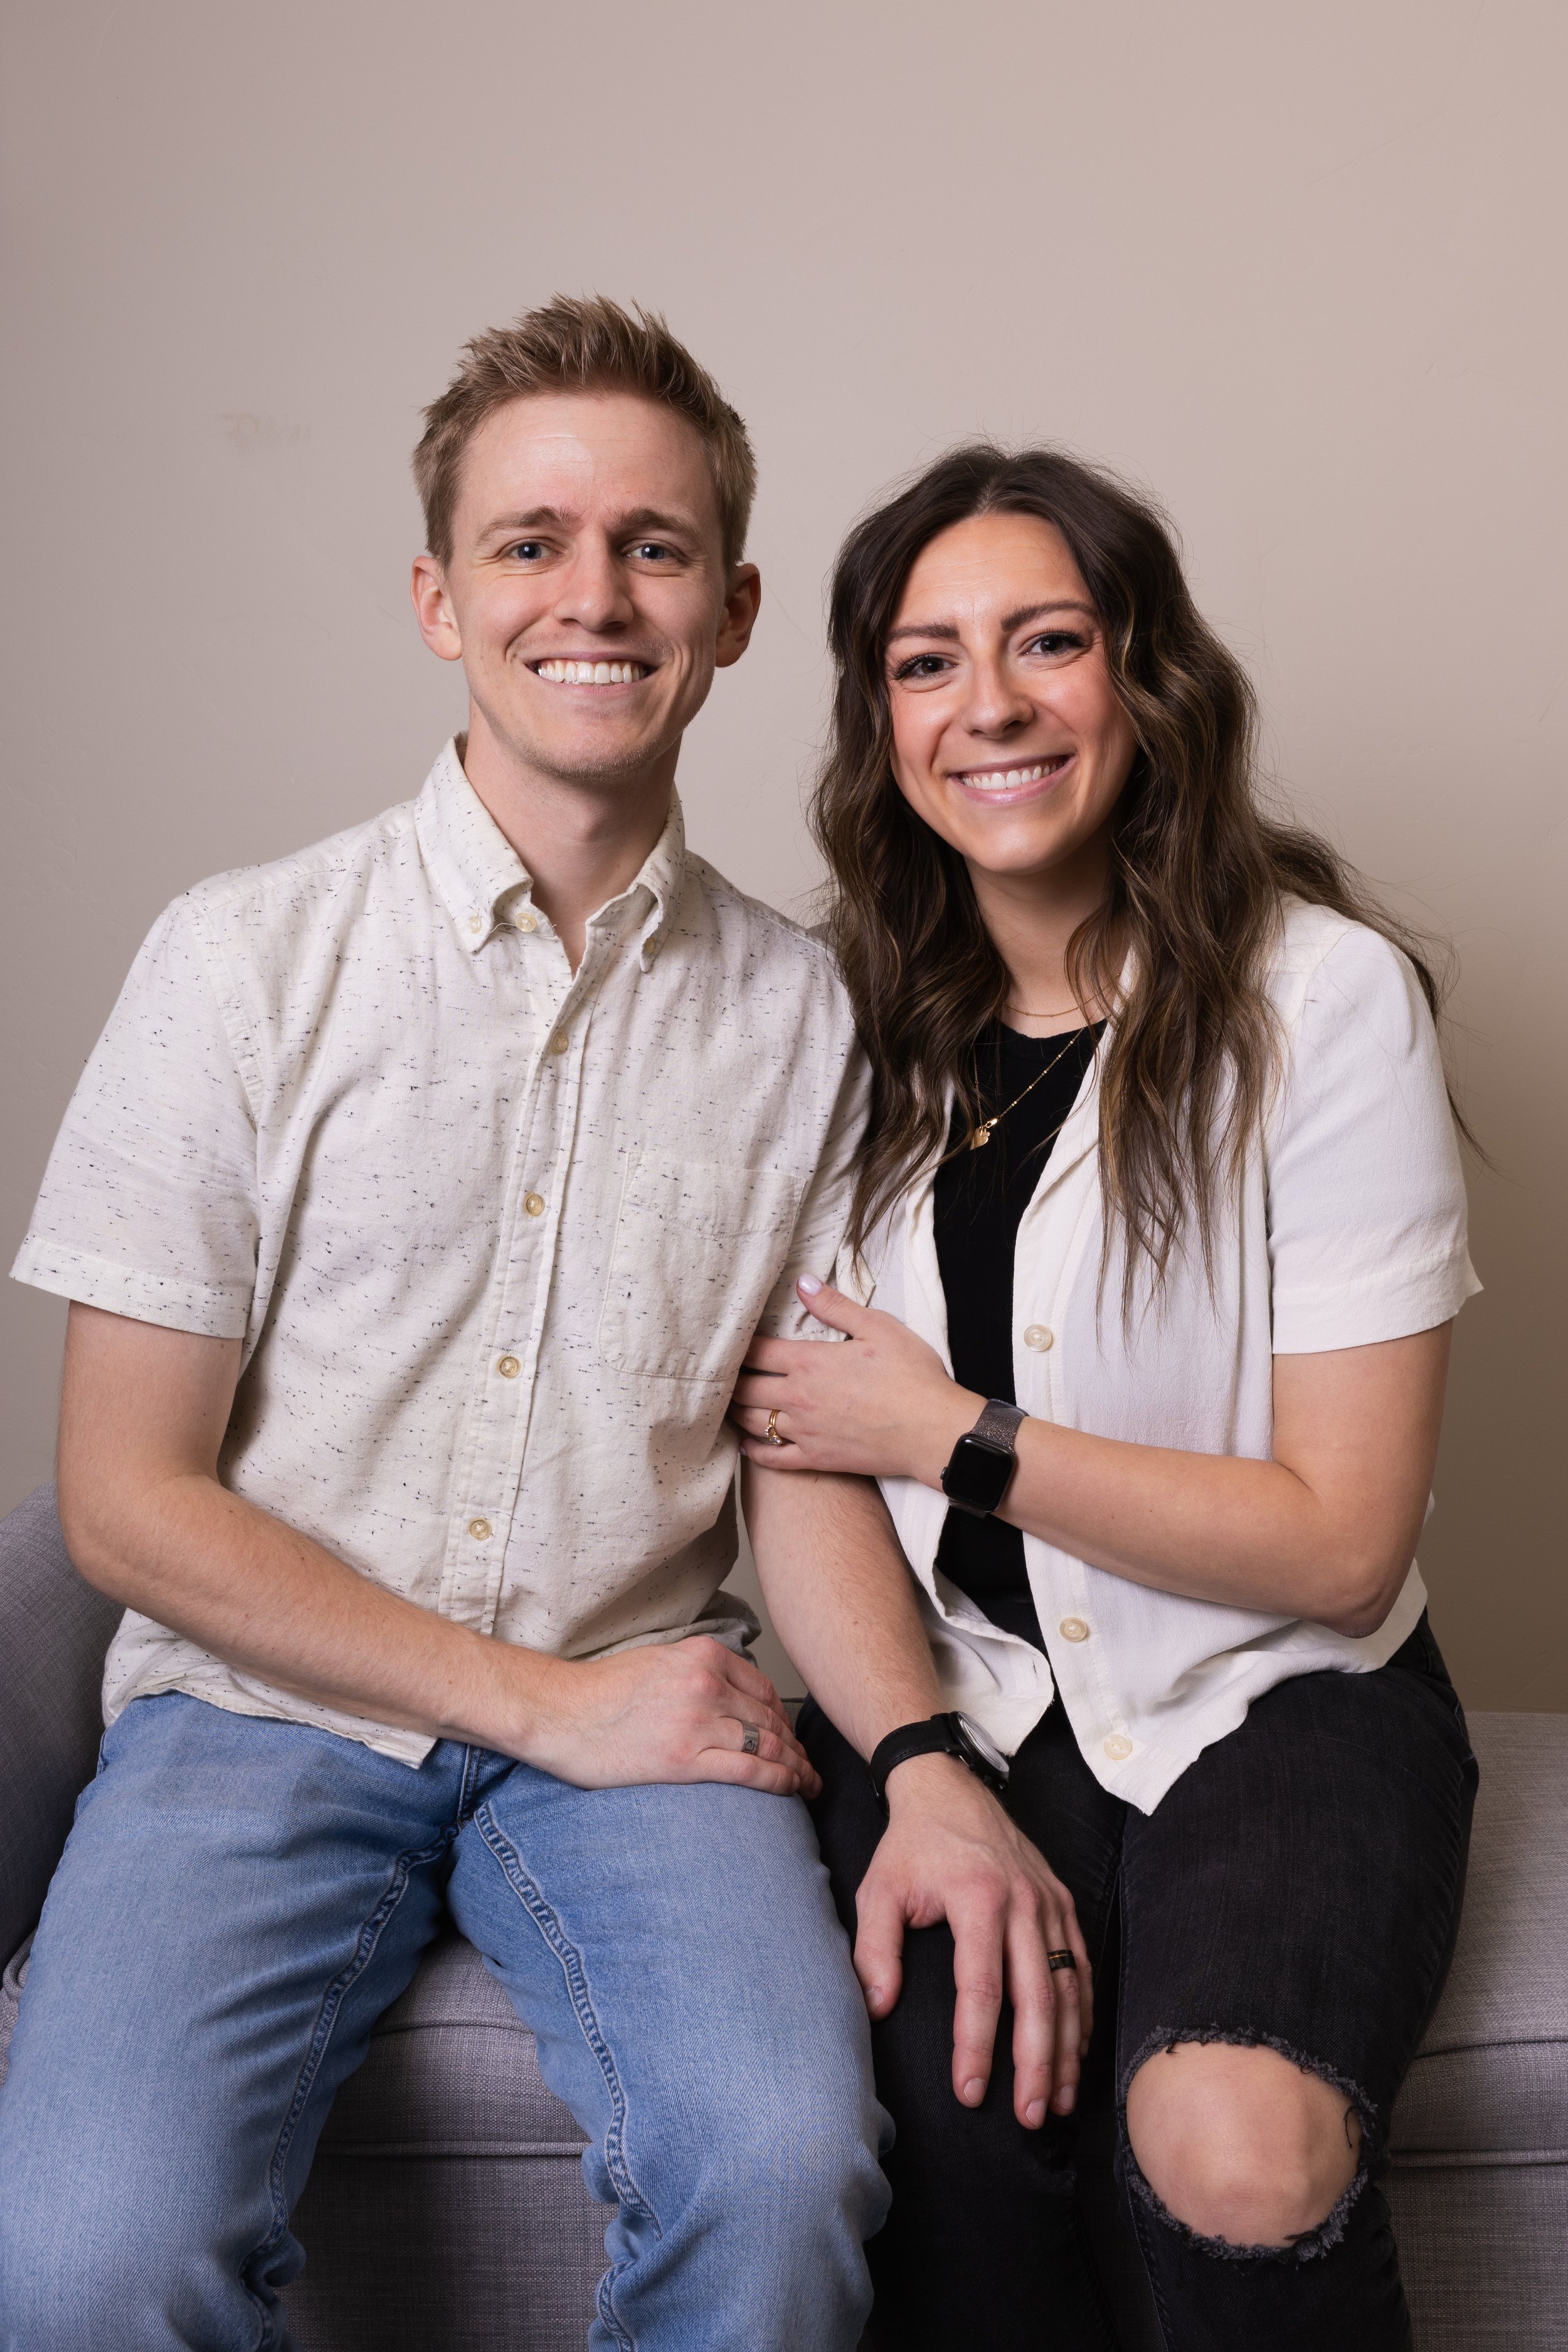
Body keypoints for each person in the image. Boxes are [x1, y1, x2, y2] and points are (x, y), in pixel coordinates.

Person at [0, 295, 902, 2352]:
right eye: (530, 542)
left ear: (736, 607)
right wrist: (535, 1699)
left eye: (653, 548)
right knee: (82, 2260)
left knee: (779, 2182)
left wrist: (893, 1750)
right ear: (438, 598)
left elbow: (803, 1460)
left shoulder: (815, 1018)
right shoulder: (239, 959)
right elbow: (125, 1503)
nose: (592, 594)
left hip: (649, 1726)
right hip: (257, 1711)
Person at [732, 443, 1480, 2349]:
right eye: (923, 661)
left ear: (1141, 677)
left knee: (1225, 2140)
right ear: (874, 715)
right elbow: (795, 1464)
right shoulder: (834, 1029)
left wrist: (955, 1435)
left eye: (1045, 642)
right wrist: (914, 1776)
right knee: (954, 2162)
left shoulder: (1317, 1003)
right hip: (960, 1705)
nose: (986, 704)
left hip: (1275, 1697)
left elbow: (1336, 1540)